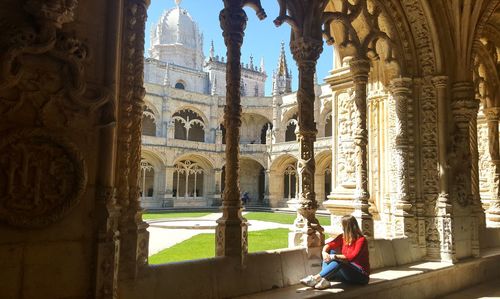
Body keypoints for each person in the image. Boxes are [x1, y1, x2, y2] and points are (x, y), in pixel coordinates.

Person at [300, 215, 370, 289]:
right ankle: (325, 280)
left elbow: (352, 257)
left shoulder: (361, 240)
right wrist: (324, 253)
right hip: (346, 273)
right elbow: (329, 245)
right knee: (331, 251)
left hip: (361, 276)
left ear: (346, 226)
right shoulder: (342, 237)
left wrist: (334, 257)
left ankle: (315, 278)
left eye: (341, 224)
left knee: (339, 261)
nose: (340, 226)